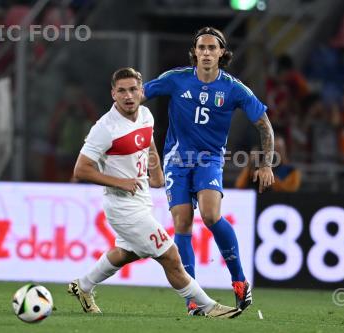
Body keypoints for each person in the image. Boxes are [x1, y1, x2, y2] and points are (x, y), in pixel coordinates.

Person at [68, 67, 241, 319]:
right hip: (121, 206)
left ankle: (83, 286)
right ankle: (207, 306)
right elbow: (81, 170)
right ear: (113, 94)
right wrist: (119, 182)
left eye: (133, 89)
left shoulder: (146, 115)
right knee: (171, 256)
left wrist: (156, 171)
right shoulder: (105, 128)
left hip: (141, 199)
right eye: (122, 91)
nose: (128, 96)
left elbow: (148, 142)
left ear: (141, 90)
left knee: (126, 253)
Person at [143, 27, 275, 314]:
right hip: (176, 161)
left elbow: (264, 123)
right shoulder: (176, 79)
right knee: (182, 224)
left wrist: (266, 163)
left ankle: (239, 279)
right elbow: (137, 97)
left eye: (211, 48)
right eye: (201, 48)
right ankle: (193, 297)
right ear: (194, 52)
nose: (205, 53)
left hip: (209, 161)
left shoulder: (233, 88)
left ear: (221, 53)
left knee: (211, 214)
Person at [235, 137, 301, 192]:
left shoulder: (291, 171)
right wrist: (250, 164)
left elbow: (291, 189)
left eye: (279, 148)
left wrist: (270, 180)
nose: (276, 152)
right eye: (273, 149)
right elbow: (239, 186)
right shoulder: (256, 169)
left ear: (285, 150)